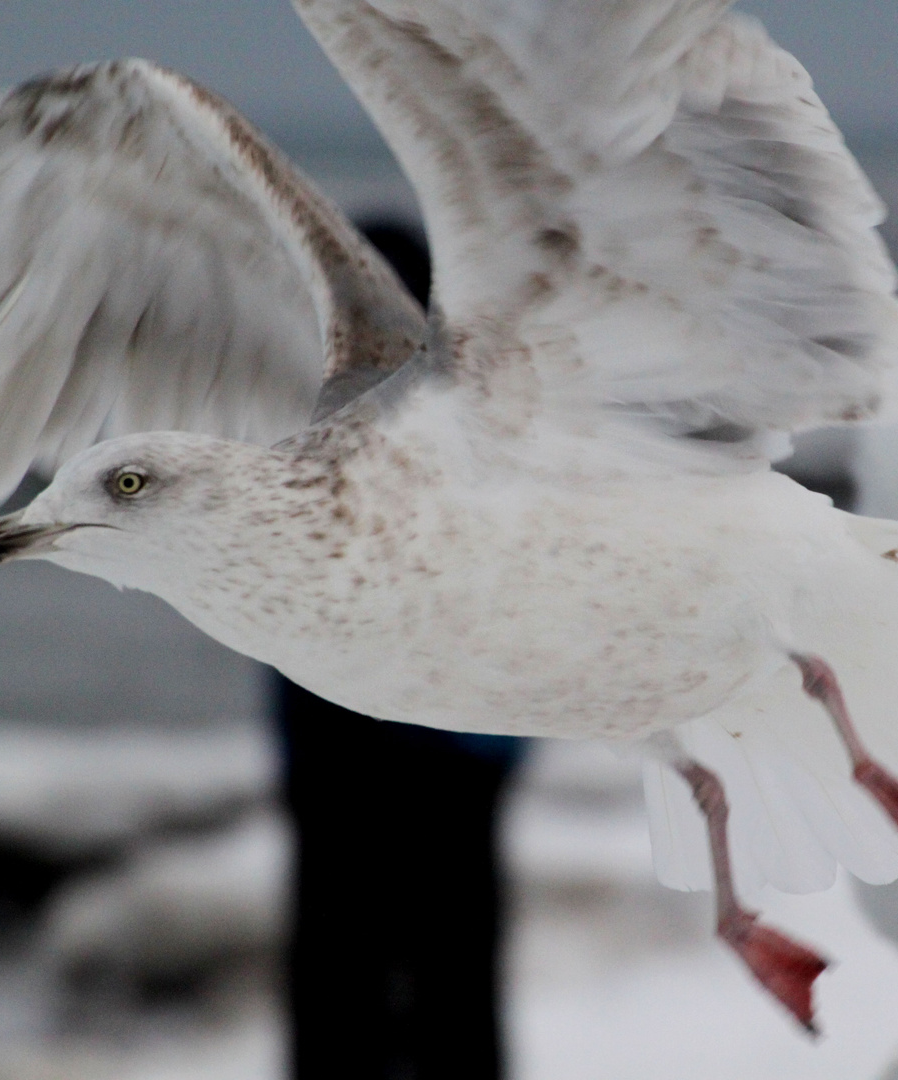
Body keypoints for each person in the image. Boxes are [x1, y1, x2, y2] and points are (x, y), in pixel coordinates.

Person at [278, 220, 526, 1080]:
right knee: (444, 974)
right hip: (416, 751)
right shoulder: (481, 430)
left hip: (397, 752)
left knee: (352, 973)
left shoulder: (314, 421)